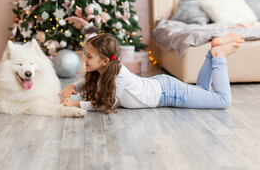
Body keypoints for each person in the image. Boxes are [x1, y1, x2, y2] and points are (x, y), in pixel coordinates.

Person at [59, 33, 245, 113]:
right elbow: (91, 85)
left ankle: (218, 55)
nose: (84, 59)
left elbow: (106, 104)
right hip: (161, 87)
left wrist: (78, 104)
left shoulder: (119, 74)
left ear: (105, 61)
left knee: (222, 100)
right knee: (203, 90)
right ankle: (211, 52)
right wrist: (72, 85)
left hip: (169, 94)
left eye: (89, 56)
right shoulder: (104, 70)